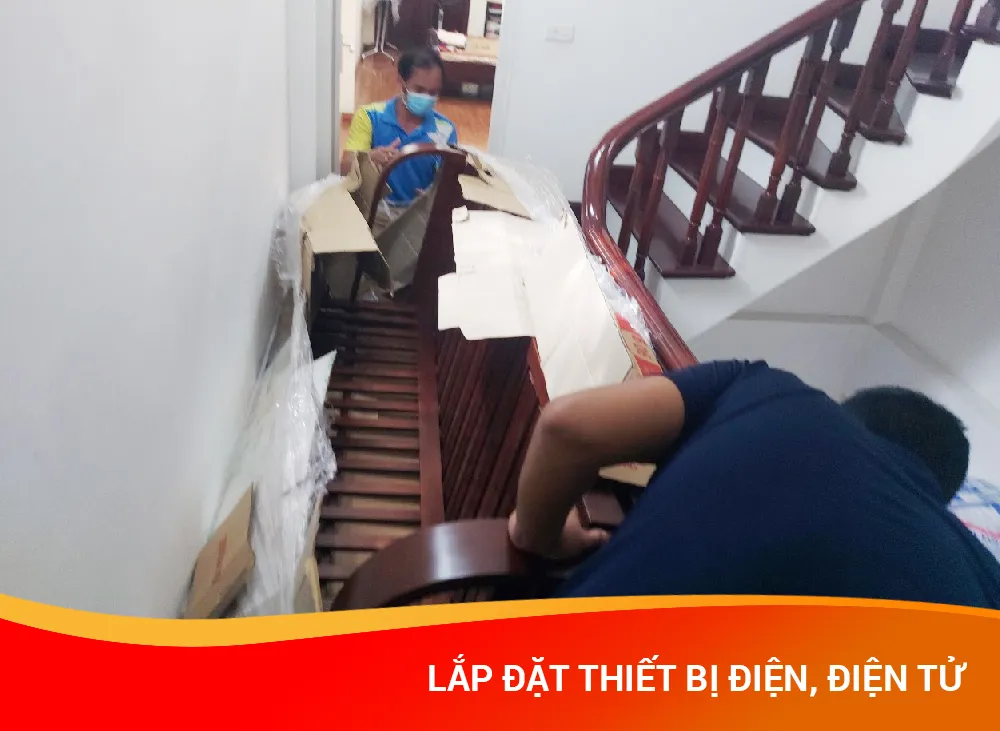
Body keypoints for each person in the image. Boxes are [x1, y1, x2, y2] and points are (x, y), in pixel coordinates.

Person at [507, 359, 1000, 609]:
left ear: (843, 408)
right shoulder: (984, 582)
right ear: (941, 498)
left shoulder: (767, 388)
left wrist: (541, 536)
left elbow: (569, 426)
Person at [341, 46, 458, 209]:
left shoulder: (446, 129)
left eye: (433, 92)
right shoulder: (369, 116)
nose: (426, 97)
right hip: (372, 210)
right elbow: (345, 168)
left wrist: (435, 195)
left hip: (419, 212)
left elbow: (449, 182)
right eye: (419, 90)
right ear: (401, 82)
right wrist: (368, 159)